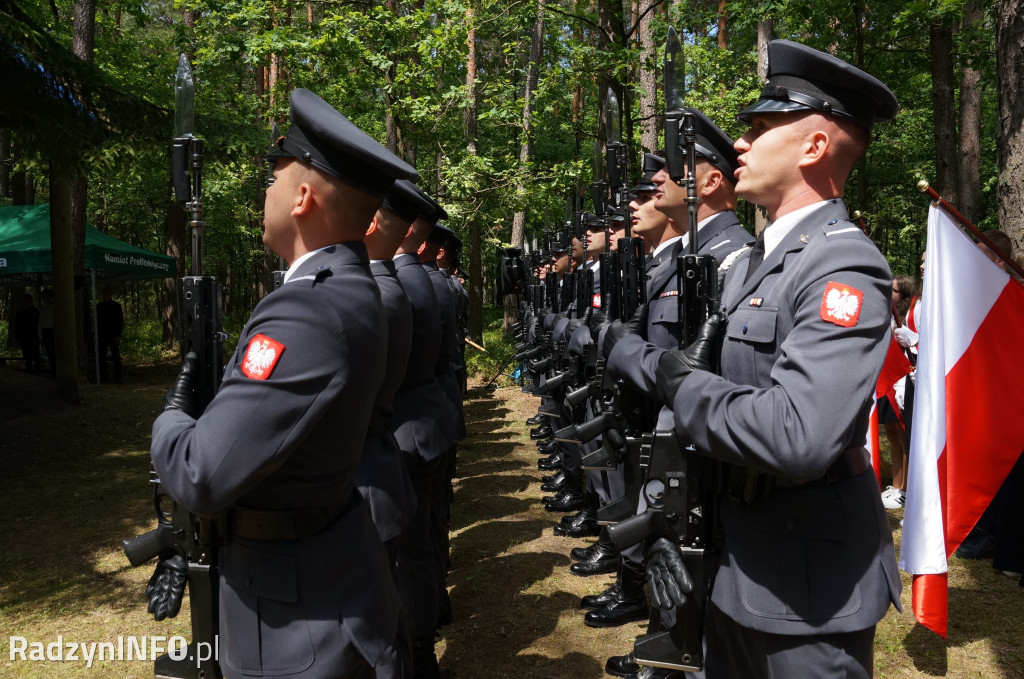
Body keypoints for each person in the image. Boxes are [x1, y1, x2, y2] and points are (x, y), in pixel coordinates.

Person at [633, 41, 902, 678]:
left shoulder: (844, 264)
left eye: (759, 128)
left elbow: (797, 434)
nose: (741, 146)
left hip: (805, 588)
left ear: (813, 148)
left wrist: (676, 383)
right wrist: (666, 523)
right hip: (735, 556)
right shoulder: (758, 260)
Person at [148, 88, 418, 679]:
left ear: (301, 197)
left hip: (298, 623)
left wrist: (170, 415)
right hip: (315, 580)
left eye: (273, 177)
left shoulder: (309, 309)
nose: (262, 192)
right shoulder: (345, 288)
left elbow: (201, 470)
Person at [880, 273, 917, 509]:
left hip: (903, 382)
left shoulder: (908, 318)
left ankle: (905, 489)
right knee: (892, 435)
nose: (888, 293)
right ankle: (895, 484)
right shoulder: (886, 316)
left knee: (904, 437)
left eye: (893, 290)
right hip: (887, 380)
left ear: (903, 295)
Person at [96, 286, 124, 383]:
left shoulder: (116, 306)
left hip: (113, 334)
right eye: (105, 293)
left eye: (108, 293)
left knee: (115, 355)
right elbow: (96, 322)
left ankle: (118, 376)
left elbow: (120, 321)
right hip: (102, 335)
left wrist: (118, 335)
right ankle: (103, 377)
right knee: (101, 356)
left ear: (111, 294)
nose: (106, 295)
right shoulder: (99, 307)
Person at [14, 293, 41, 375]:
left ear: (31, 301)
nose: (25, 302)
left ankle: (37, 373)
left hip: (33, 338)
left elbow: (39, 325)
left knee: (36, 356)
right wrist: (18, 338)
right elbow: (17, 327)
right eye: (24, 300)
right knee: (27, 357)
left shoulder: (35, 312)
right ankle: (30, 372)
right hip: (23, 339)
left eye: (27, 300)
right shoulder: (20, 313)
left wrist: (39, 337)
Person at [38, 288, 55, 377]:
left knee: (55, 353)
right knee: (50, 354)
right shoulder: (43, 309)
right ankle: (54, 373)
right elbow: (40, 323)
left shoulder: (55, 307)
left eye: (44, 297)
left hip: (54, 332)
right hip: (46, 332)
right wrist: (40, 337)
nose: (43, 299)